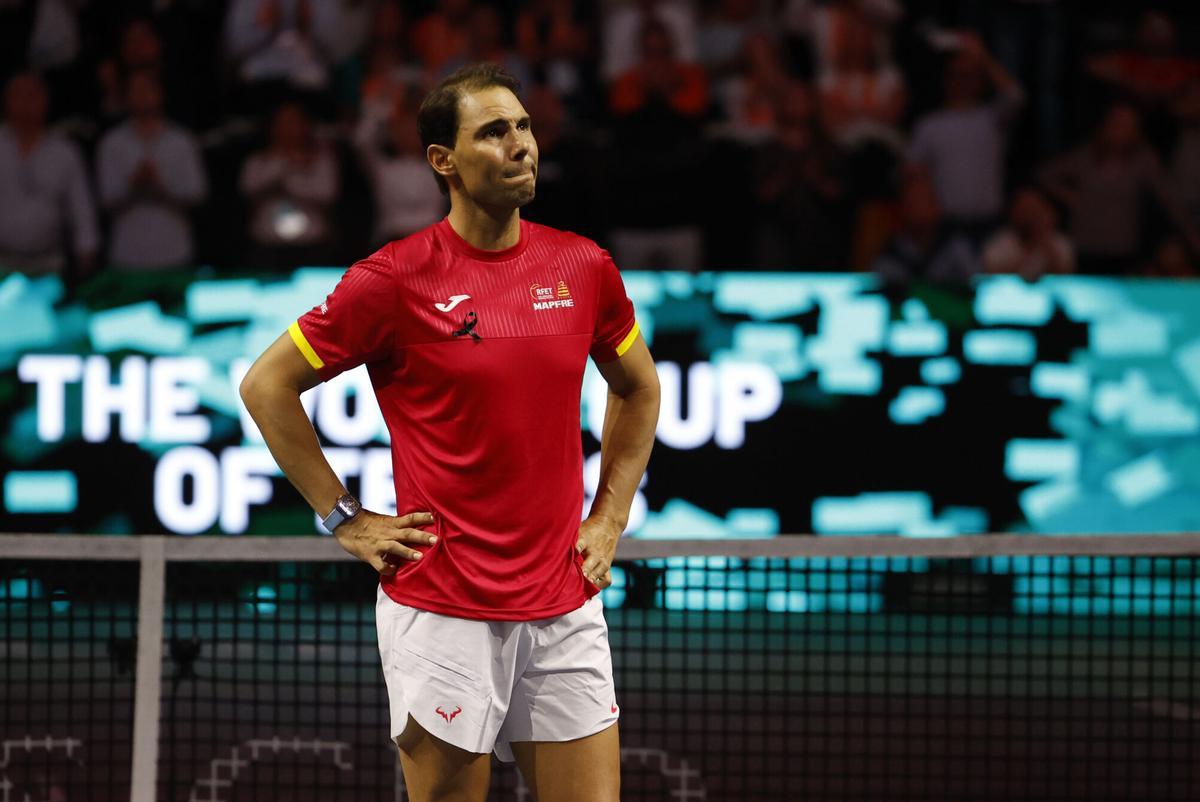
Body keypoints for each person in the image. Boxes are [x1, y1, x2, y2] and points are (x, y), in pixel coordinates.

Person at [239, 63, 660, 802]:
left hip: (564, 603)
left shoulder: (583, 266)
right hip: (442, 609)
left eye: (523, 126)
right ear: (444, 160)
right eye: (494, 132)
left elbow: (638, 386)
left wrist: (611, 514)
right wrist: (345, 519)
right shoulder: (392, 280)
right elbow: (266, 386)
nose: (520, 144)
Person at [95, 69, 207, 271]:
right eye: (135, 91)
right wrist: (134, 184)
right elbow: (106, 198)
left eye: (146, 89)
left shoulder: (181, 140)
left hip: (174, 251)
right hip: (127, 254)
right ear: (126, 97)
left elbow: (197, 193)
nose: (142, 96)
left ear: (160, 93)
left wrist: (160, 186)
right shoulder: (111, 143)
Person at [0, 71, 98, 278]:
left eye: (32, 95)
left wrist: (87, 246)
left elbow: (81, 206)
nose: (26, 102)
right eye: (19, 95)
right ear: (7, 100)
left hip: (49, 262)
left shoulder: (64, 150)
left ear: (45, 100)